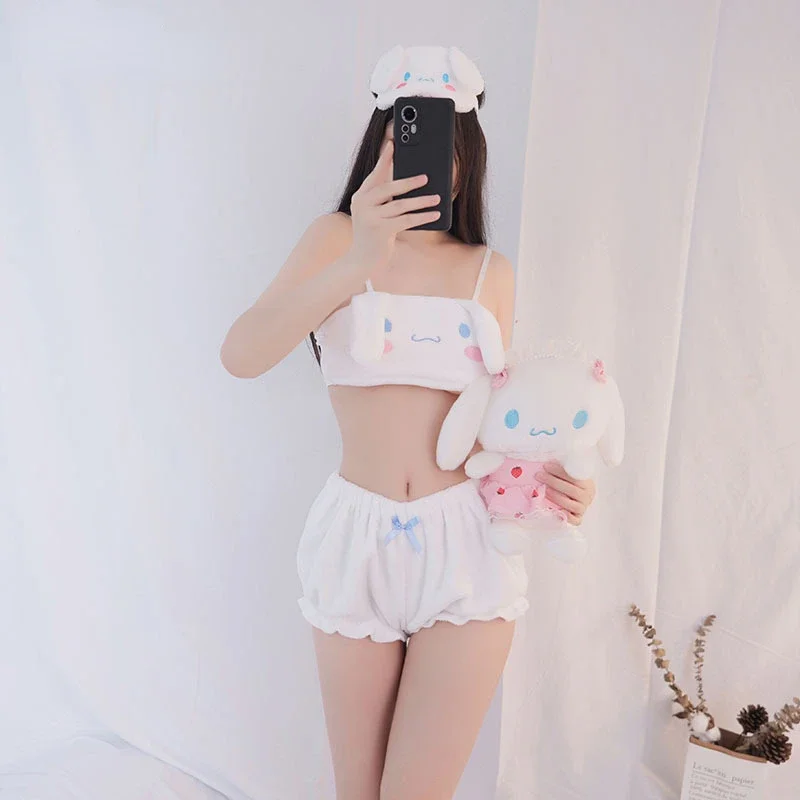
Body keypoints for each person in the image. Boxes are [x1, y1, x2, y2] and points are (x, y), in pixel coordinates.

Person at [221, 46, 596, 800]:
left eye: (446, 147)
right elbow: (243, 355)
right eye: (406, 139)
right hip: (356, 538)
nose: (426, 163)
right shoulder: (334, 240)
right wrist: (360, 255)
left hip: (467, 540)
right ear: (379, 146)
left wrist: (561, 487)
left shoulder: (489, 270)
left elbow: (496, 424)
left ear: (468, 159)